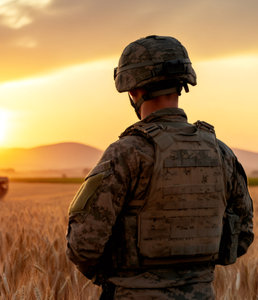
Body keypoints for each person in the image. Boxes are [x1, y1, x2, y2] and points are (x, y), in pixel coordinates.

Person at [66, 35, 254, 299]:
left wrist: (126, 278)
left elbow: (83, 246)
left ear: (132, 90)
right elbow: (242, 235)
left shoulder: (126, 153)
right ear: (182, 85)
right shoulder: (221, 152)